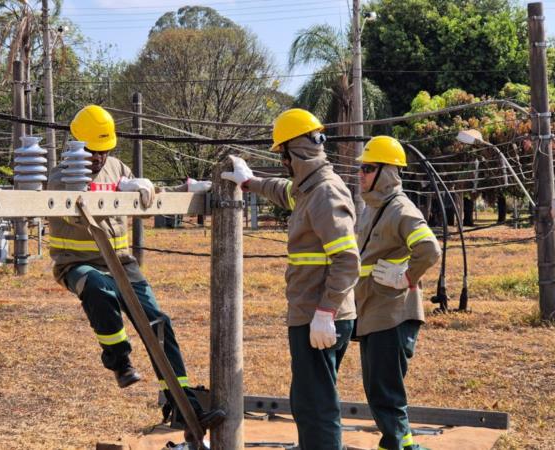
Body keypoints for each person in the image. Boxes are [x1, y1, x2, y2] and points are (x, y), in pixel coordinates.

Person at [47, 104, 224, 433]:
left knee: (158, 322)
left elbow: (143, 199)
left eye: (104, 150)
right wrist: (115, 193)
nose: (98, 158)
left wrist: (147, 190)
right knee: (97, 288)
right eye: (92, 151)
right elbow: (75, 214)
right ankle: (118, 360)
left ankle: (181, 403)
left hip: (122, 264)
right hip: (78, 265)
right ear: (76, 144)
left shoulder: (118, 168)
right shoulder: (62, 176)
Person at [222, 108, 359, 449]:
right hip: (310, 314)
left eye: (282, 154)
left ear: (294, 151)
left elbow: (347, 260)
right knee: (306, 396)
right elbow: (284, 191)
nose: (282, 162)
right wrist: (248, 181)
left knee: (316, 404)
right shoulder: (309, 189)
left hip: (319, 316)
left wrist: (326, 313)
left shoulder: (325, 193)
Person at [354, 136, 441, 450]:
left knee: (385, 392)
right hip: (372, 312)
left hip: (391, 314)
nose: (361, 174)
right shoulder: (371, 209)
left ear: (387, 172)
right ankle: (395, 444)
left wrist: (407, 276)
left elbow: (430, 249)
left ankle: (403, 446)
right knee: (378, 389)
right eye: (361, 168)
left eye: (368, 168)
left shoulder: (400, 209)